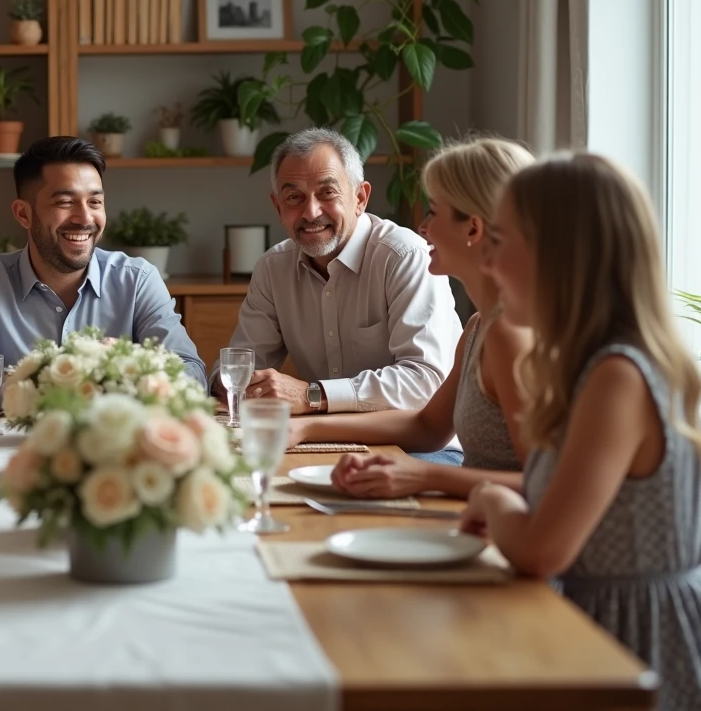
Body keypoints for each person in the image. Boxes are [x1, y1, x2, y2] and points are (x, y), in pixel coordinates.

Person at [460, 153, 701, 709]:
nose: (489, 262)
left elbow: (544, 550)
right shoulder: (588, 366)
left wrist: (493, 500)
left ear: (561, 255)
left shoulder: (619, 377)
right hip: (590, 629)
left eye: (501, 240)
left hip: (632, 647)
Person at [286, 138, 535, 498]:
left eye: (434, 211)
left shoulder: (510, 335)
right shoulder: (480, 326)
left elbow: (549, 487)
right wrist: (306, 430)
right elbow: (428, 426)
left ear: (473, 229)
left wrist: (423, 476)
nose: (423, 226)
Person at [214, 128, 463, 464]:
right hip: (322, 440)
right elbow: (238, 368)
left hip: (422, 448)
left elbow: (424, 384)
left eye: (327, 193)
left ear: (360, 198)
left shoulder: (405, 256)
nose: (311, 212)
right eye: (294, 197)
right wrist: (235, 384)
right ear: (277, 206)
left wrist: (311, 395)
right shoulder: (273, 268)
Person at [0, 136, 207, 392]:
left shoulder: (137, 281)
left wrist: (115, 375)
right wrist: (59, 383)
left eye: (95, 201)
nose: (84, 218)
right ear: (23, 214)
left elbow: (190, 372)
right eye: (65, 202)